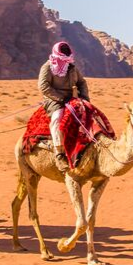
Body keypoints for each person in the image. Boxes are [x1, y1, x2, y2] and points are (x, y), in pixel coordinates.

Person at [38, 41, 90, 172]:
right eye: (63, 52)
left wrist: (84, 98)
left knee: (89, 113)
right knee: (58, 117)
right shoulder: (48, 67)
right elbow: (43, 86)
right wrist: (60, 98)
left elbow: (82, 82)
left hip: (72, 98)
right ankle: (59, 153)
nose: (66, 55)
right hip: (53, 100)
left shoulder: (71, 67)